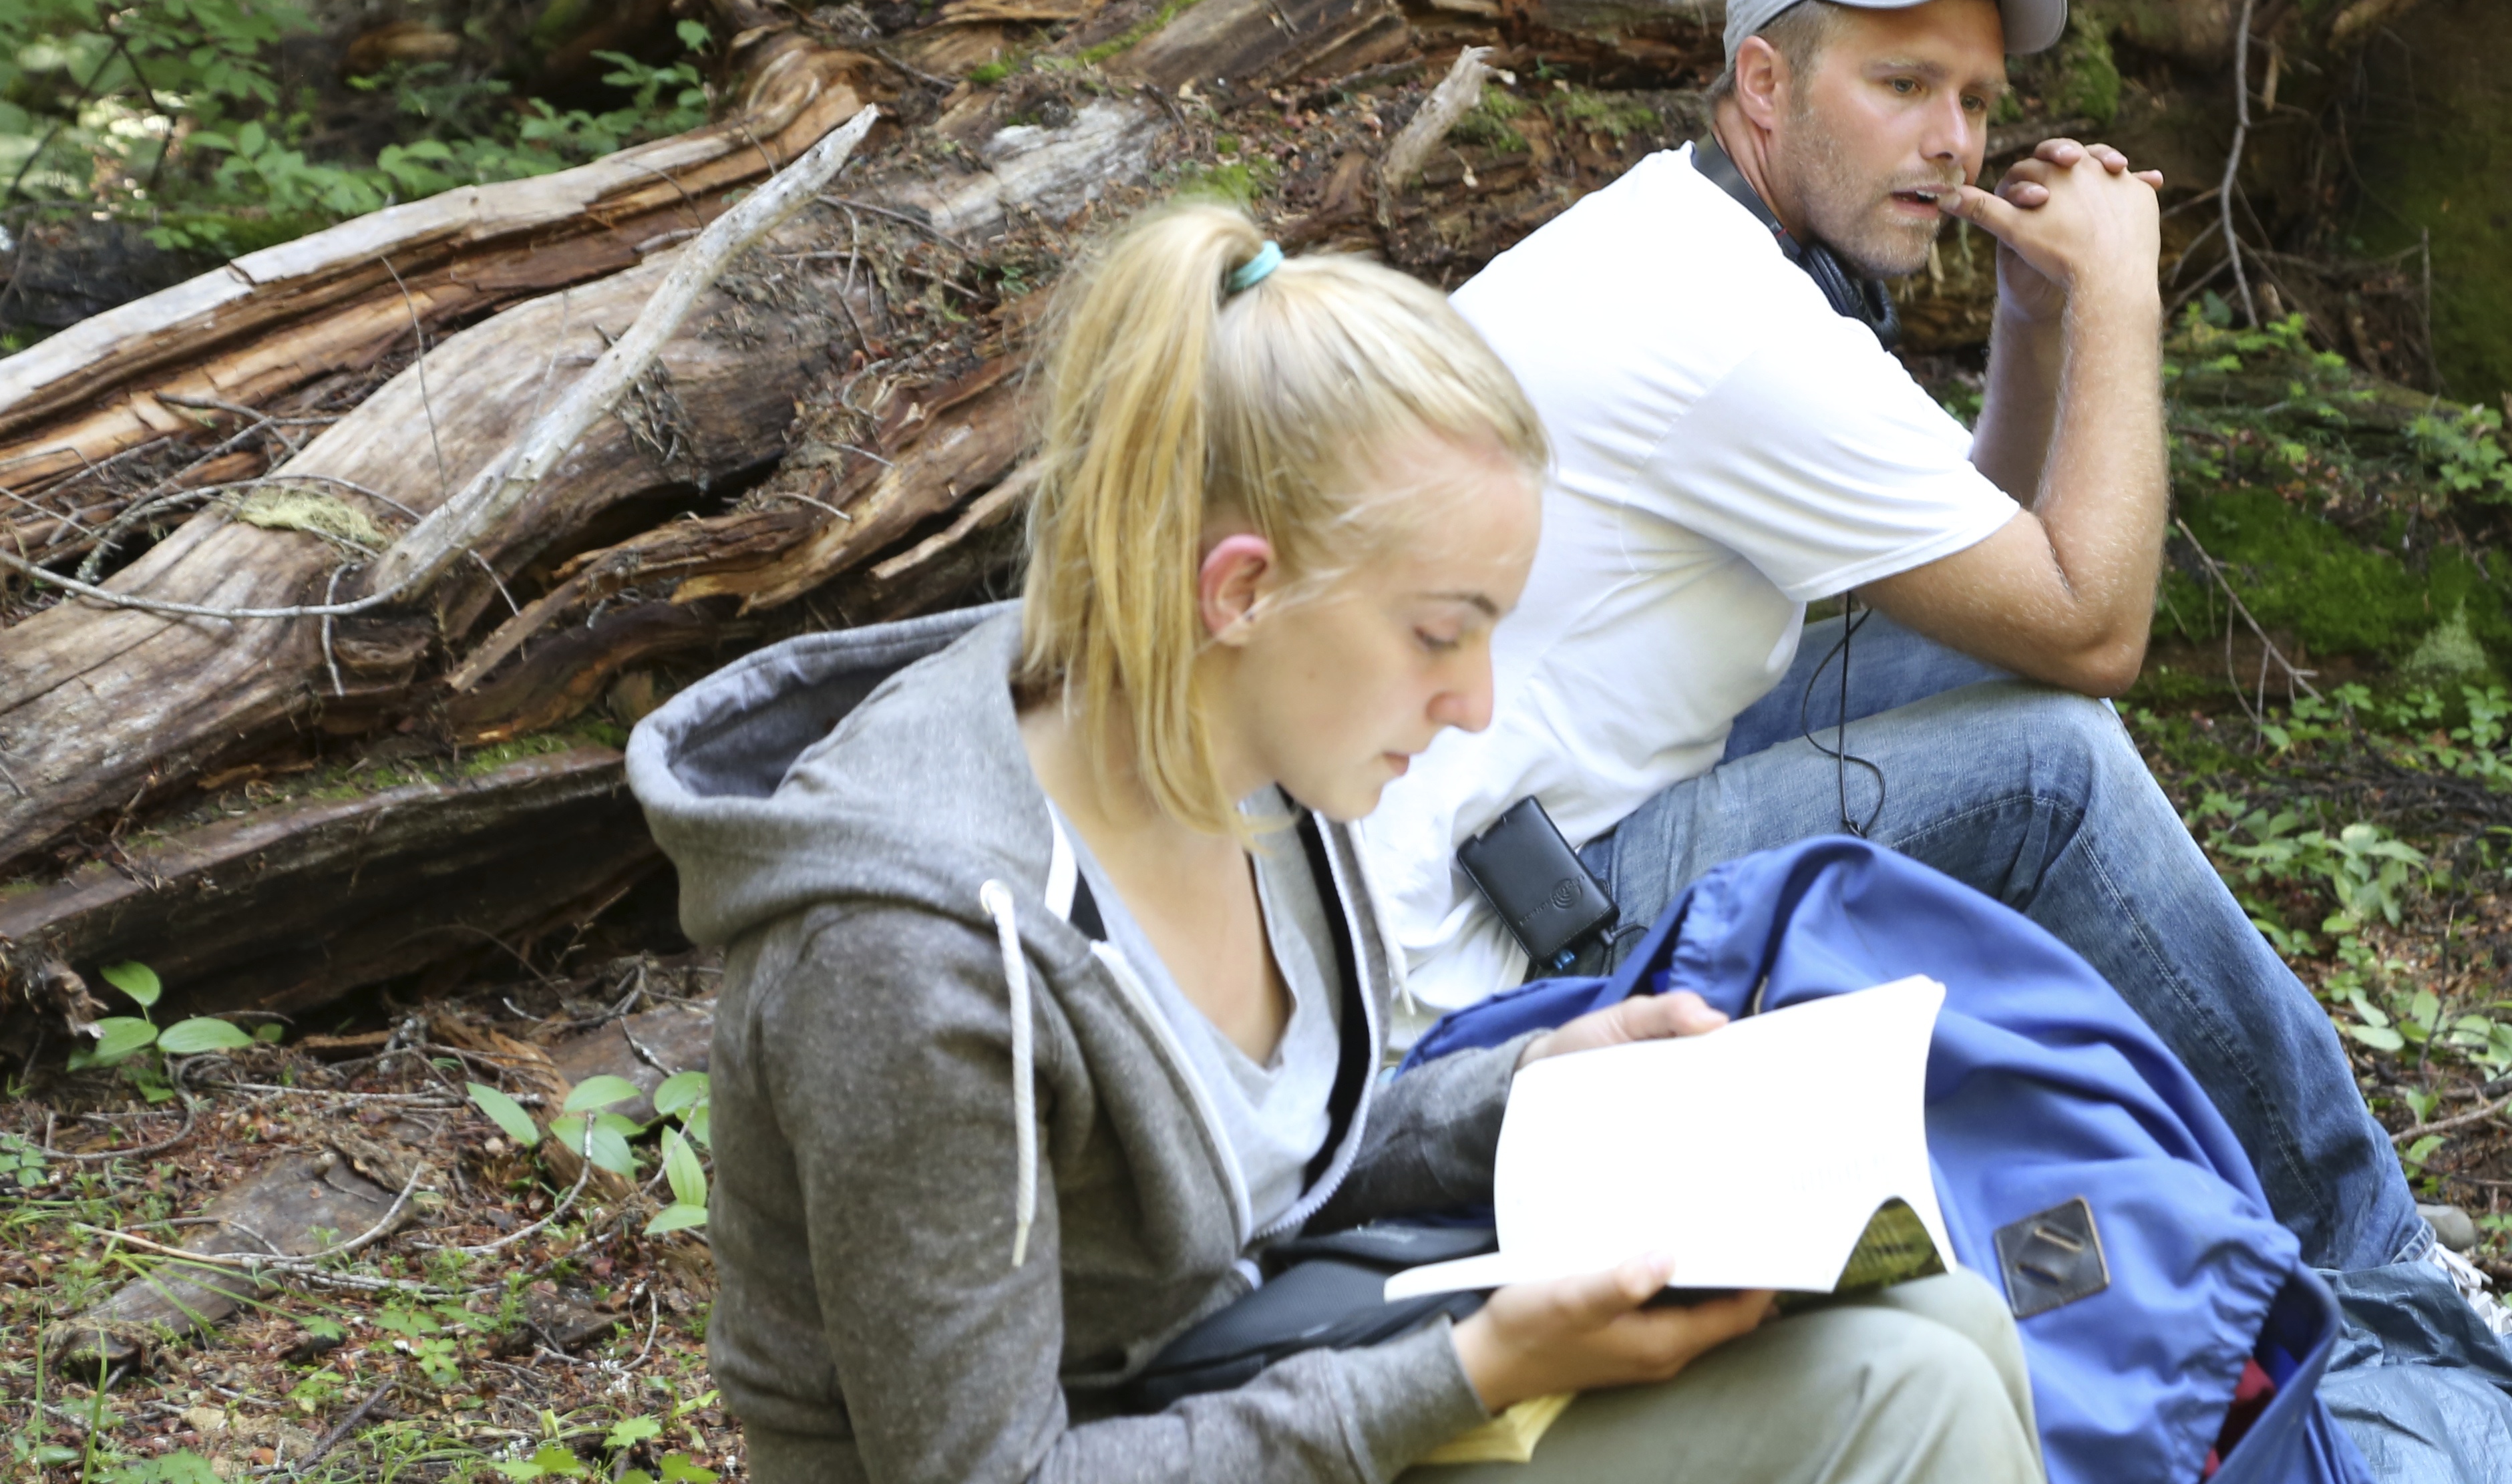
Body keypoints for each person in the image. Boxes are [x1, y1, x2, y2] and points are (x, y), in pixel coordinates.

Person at [1357, 0, 2512, 1403]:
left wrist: (2032, 319)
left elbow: (1990, 572)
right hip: (1487, 972)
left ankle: (2234, 1174)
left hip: (1532, 825)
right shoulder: (1736, 328)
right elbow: (2091, 627)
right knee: (2051, 769)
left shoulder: (1680, 239)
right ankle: (2384, 1265)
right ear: (1765, 83)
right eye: (1901, 86)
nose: (1952, 142)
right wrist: (2127, 292)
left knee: (1984, 682)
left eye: (1976, 100)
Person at [628, 204, 2043, 1484]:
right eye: (1441, 633)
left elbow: (1256, 1161)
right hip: (1170, 1431)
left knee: (1945, 1315)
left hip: (1253, 1365)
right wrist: (1474, 1373)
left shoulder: (1249, 755)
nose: (1475, 703)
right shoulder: (916, 959)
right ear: (1241, 591)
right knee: (1903, 1398)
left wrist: (1530, 1092)